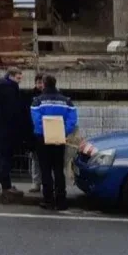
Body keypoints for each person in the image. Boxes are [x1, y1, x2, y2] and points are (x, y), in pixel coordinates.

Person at [31, 74, 78, 211]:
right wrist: (62, 131)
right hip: (59, 137)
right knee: (58, 169)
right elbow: (72, 119)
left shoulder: (37, 101)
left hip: (42, 138)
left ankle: (48, 200)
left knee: (45, 169)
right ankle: (61, 200)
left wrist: (45, 132)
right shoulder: (66, 101)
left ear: (44, 84)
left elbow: (36, 120)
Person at [0, 67, 27, 197]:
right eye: (18, 78)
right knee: (6, 157)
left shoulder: (0, 88)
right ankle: (6, 186)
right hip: (8, 129)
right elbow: (14, 111)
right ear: (11, 76)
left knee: (2, 156)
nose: (19, 81)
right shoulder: (10, 89)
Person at [25, 73, 44, 193]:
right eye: (38, 82)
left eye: (42, 82)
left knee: (43, 160)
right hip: (34, 132)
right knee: (35, 159)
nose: (40, 85)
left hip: (44, 132)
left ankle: (43, 183)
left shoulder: (46, 95)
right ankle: (36, 183)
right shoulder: (30, 96)